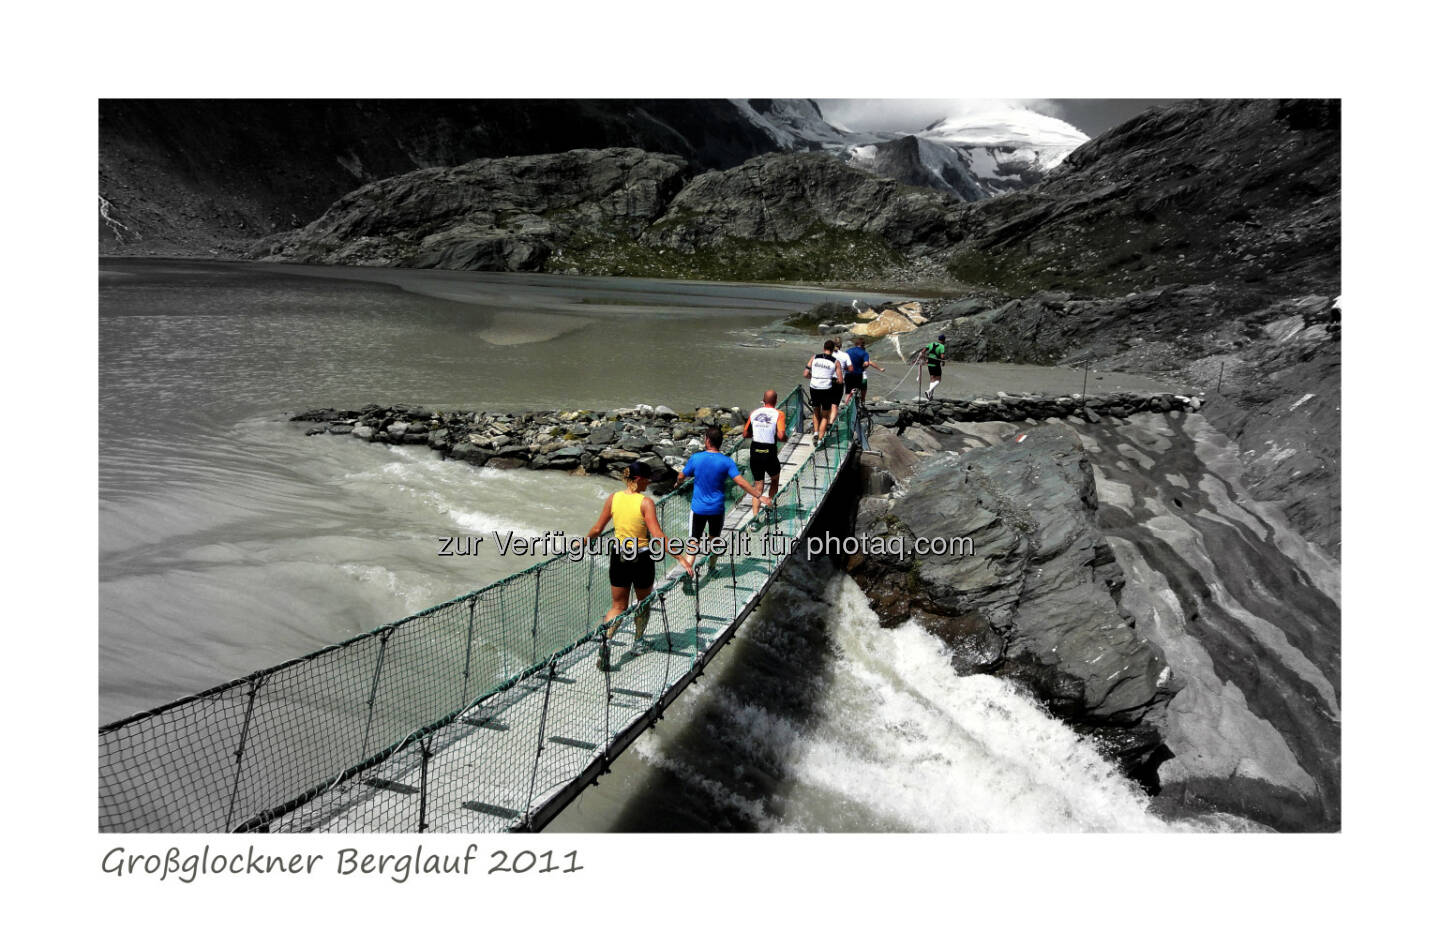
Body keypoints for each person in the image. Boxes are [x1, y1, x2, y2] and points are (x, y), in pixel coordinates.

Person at [585, 461, 694, 670]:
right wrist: (680, 558)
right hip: (641, 558)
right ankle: (637, 642)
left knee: (618, 606)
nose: (650, 481)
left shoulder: (613, 498)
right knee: (643, 603)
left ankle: (606, 641)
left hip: (618, 556)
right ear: (637, 479)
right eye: (647, 478)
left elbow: (598, 528)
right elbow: (658, 536)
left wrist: (582, 543)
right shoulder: (646, 503)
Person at [679, 425, 770, 572]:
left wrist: (678, 483)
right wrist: (760, 496)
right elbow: (740, 482)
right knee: (715, 541)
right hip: (717, 509)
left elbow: (682, 476)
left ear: (707, 440)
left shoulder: (696, 458)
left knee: (693, 543)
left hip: (698, 509)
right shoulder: (727, 462)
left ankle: (687, 573)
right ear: (720, 443)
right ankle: (712, 568)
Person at [743, 389, 788, 525]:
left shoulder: (754, 413)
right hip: (769, 452)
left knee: (758, 487)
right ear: (775, 401)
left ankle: (755, 520)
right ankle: (769, 509)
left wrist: (756, 434)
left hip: (755, 451)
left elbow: (745, 434)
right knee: (774, 480)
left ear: (763, 400)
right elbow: (780, 436)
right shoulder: (779, 414)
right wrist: (785, 438)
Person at [804, 339, 842, 442]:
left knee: (816, 411)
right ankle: (820, 439)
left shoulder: (814, 357)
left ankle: (815, 433)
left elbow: (805, 374)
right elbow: (840, 380)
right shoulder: (835, 362)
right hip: (826, 388)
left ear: (823, 348)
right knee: (825, 415)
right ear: (833, 350)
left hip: (814, 387)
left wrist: (813, 377)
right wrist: (833, 380)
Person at [844, 336, 885, 403]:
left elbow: (844, 361)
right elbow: (867, 363)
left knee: (848, 392)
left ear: (855, 344)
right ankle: (862, 402)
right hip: (858, 374)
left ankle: (847, 405)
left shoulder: (848, 351)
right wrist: (863, 367)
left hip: (848, 374)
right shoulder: (864, 353)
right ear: (863, 345)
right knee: (861, 389)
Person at [921, 334, 948, 401]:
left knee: (932, 378)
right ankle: (928, 391)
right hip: (936, 363)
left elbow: (923, 351)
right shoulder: (942, 346)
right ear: (943, 340)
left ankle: (930, 396)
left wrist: (924, 359)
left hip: (929, 363)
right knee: (938, 380)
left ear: (938, 339)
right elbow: (942, 357)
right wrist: (943, 362)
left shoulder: (931, 344)